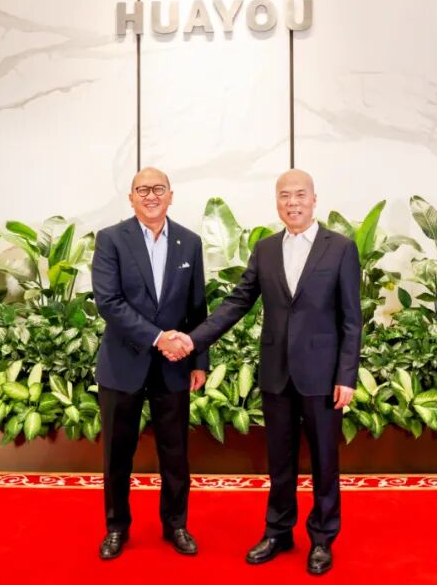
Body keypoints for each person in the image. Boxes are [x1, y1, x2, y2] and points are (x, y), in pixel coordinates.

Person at [163, 169, 361, 576]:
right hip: (276, 372)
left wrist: (347, 375)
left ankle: (322, 538)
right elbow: (238, 302)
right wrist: (193, 340)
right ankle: (278, 531)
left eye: (300, 195)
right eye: (285, 195)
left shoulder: (341, 248)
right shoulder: (266, 248)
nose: (293, 202)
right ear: (277, 202)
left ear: (314, 199)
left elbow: (351, 319)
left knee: (325, 461)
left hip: (323, 375)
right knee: (279, 460)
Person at [91, 167, 208, 560]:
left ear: (171, 195)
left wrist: (199, 360)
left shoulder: (190, 242)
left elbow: (197, 308)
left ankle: (176, 525)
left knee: (175, 453)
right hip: (123, 363)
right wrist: (160, 338)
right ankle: (116, 527)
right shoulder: (111, 239)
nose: (151, 195)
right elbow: (109, 302)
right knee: (117, 454)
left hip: (175, 367)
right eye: (142, 190)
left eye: (159, 189)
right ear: (131, 198)